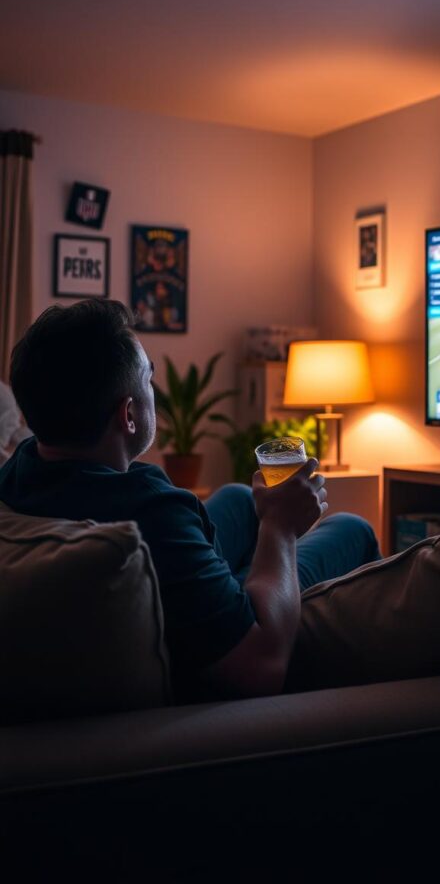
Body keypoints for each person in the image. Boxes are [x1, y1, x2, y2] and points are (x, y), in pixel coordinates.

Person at [0, 300, 380, 703]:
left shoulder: (17, 470)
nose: (153, 392)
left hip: (171, 583)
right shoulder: (151, 512)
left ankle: (248, 567)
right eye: (148, 380)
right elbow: (260, 668)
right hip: (210, 662)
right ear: (128, 415)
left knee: (236, 496)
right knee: (351, 529)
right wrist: (279, 528)